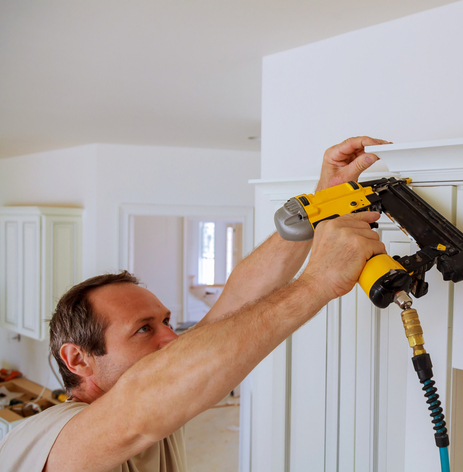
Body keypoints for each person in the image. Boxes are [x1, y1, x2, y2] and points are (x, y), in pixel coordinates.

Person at [0, 136, 391, 472]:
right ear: (78, 359)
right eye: (143, 329)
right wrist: (317, 282)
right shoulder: (50, 436)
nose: (171, 337)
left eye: (166, 321)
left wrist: (324, 202)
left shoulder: (162, 402)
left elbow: (238, 299)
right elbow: (135, 409)